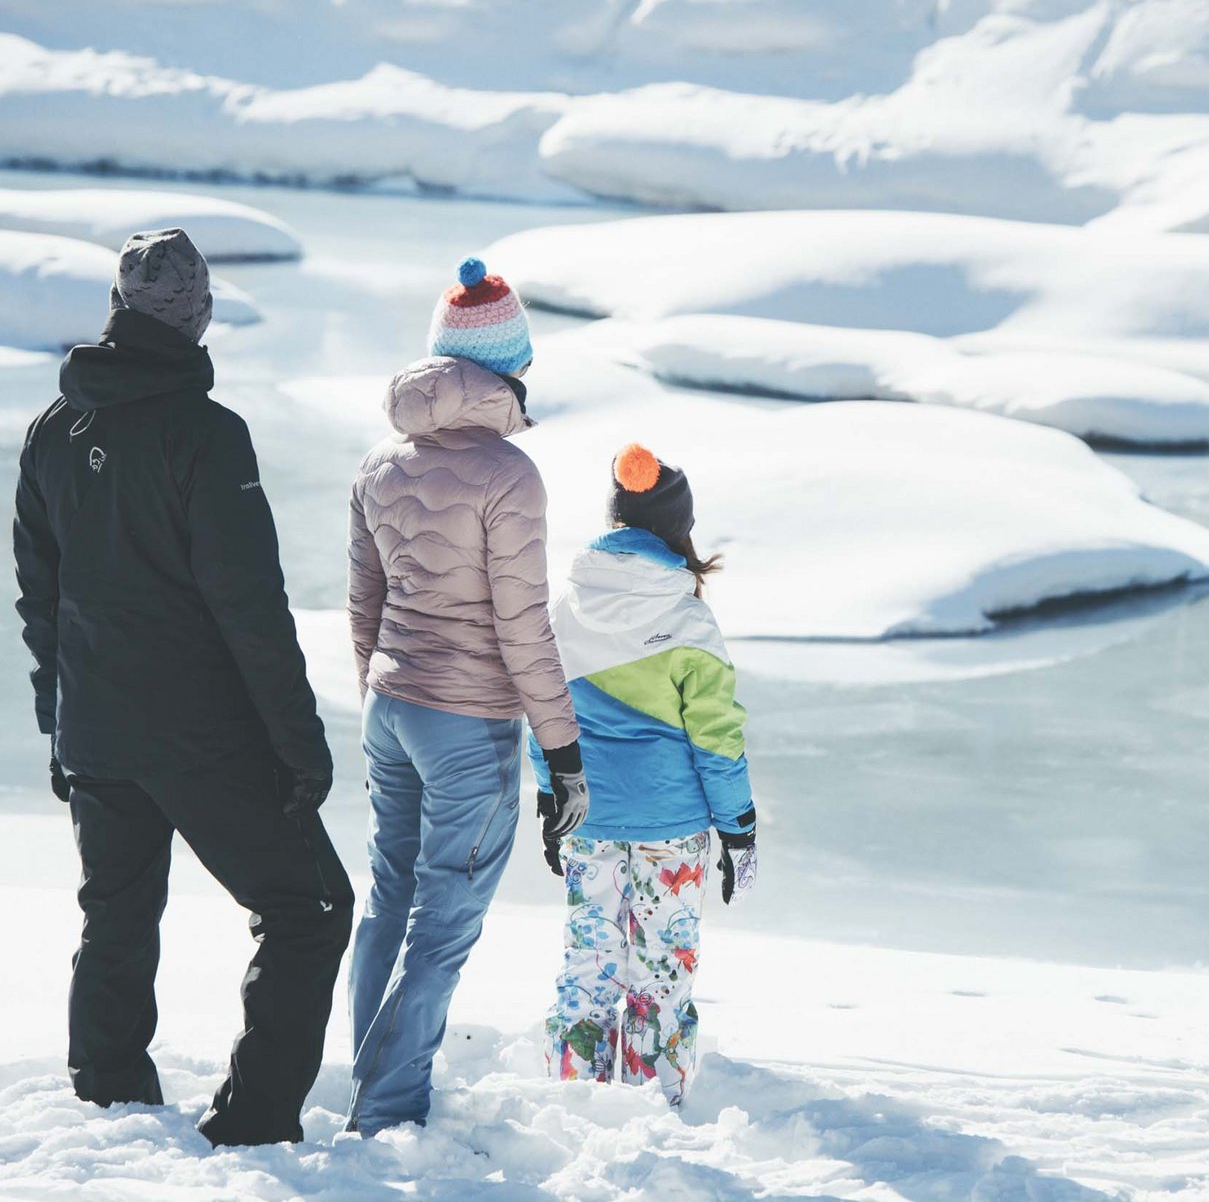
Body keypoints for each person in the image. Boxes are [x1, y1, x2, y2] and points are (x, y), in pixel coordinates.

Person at [11, 228, 351, 1147]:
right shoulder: (208, 434)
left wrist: (57, 725)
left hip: (96, 731)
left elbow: (38, 602)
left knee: (117, 912)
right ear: (198, 316)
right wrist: (301, 744)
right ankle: (251, 1122)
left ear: (117, 311)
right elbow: (252, 611)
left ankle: (109, 1107)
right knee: (312, 907)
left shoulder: (50, 430)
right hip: (200, 735)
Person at [345, 257, 585, 1134]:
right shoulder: (508, 475)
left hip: (392, 707)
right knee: (441, 925)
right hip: (468, 724)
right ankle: (387, 1107)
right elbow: (525, 628)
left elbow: (363, 603)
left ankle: (373, 1084)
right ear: (509, 365)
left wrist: (381, 692)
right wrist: (563, 755)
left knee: (388, 900)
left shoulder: (380, 462)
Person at [529, 442, 758, 1108]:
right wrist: (738, 828)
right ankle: (657, 1109)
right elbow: (718, 739)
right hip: (672, 828)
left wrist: (551, 800)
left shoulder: (563, 611)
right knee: (661, 974)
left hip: (589, 819)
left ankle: (572, 1104)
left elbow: (542, 713)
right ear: (676, 531)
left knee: (588, 966)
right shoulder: (688, 618)